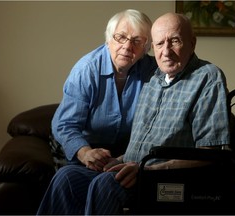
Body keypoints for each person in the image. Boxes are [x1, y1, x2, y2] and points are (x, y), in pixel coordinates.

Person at [82, 12, 231, 214]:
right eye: (160, 44)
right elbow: (142, 148)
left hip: (168, 179)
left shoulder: (208, 77)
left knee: (106, 185)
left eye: (175, 41)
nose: (166, 51)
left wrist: (147, 170)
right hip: (136, 170)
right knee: (68, 178)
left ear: (192, 43)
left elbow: (210, 153)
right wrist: (116, 161)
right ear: (153, 48)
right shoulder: (153, 80)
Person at [36, 9, 156, 215]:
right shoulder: (86, 70)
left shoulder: (152, 71)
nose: (127, 46)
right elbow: (65, 125)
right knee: (68, 181)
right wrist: (84, 152)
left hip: (123, 153)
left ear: (146, 47)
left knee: (107, 186)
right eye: (121, 37)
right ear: (109, 39)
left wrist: (125, 158)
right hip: (82, 147)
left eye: (137, 41)